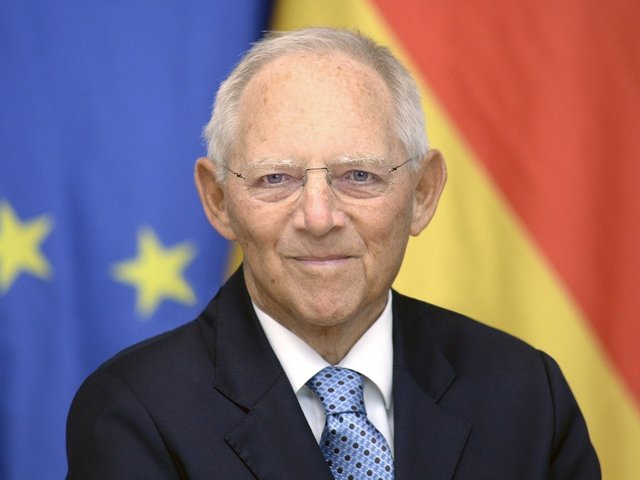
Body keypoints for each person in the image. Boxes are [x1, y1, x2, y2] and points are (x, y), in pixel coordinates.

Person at [66, 27, 600, 479]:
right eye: (276, 178)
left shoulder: (527, 394)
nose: (319, 218)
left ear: (422, 194)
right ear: (218, 199)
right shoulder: (132, 414)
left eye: (359, 176)